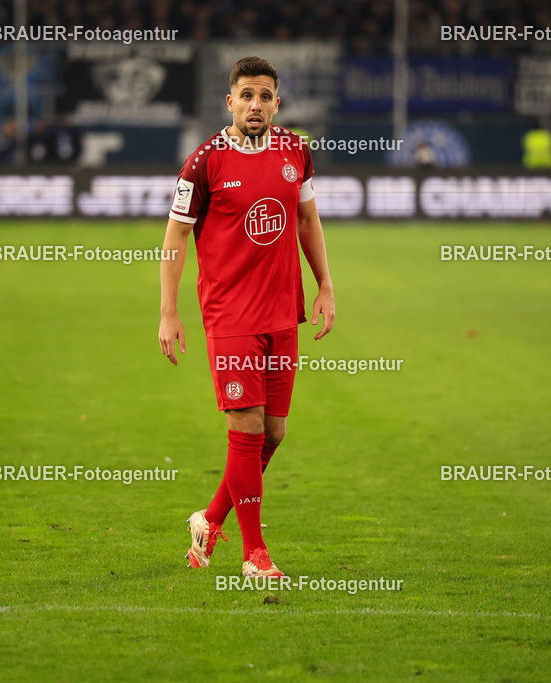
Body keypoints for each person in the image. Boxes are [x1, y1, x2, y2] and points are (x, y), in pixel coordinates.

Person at [158, 56, 336, 578]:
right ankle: (254, 555)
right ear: (229, 101)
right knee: (248, 429)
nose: (255, 105)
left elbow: (307, 219)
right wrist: (169, 313)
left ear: (277, 102)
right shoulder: (203, 162)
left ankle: (209, 521)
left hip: (284, 311)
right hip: (230, 313)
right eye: (246, 95)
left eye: (265, 96)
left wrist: (325, 285)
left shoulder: (296, 151)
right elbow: (175, 237)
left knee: (273, 434)